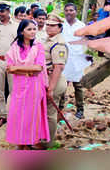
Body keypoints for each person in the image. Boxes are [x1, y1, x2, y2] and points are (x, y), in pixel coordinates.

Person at [5, 19, 50, 150]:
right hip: (19, 87)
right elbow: (9, 67)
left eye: (34, 29)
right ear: (21, 31)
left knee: (31, 116)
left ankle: (29, 143)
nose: (32, 32)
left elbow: (38, 68)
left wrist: (17, 69)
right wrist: (25, 69)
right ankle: (20, 142)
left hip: (34, 87)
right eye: (29, 29)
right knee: (18, 115)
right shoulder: (15, 48)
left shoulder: (38, 47)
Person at [37, 11, 68, 149]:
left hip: (53, 81)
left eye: (53, 25)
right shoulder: (47, 39)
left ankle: (47, 144)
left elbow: (58, 67)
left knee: (50, 114)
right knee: (44, 112)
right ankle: (43, 138)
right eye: (48, 25)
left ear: (60, 27)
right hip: (46, 79)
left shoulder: (59, 43)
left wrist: (51, 88)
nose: (48, 27)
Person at [62, 3, 91, 119]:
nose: (69, 12)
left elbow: (85, 42)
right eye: (67, 10)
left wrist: (85, 59)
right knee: (62, 85)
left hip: (77, 59)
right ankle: (60, 109)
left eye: (71, 10)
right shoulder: (62, 25)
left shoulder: (81, 25)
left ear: (76, 12)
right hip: (64, 59)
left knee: (78, 86)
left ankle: (80, 110)